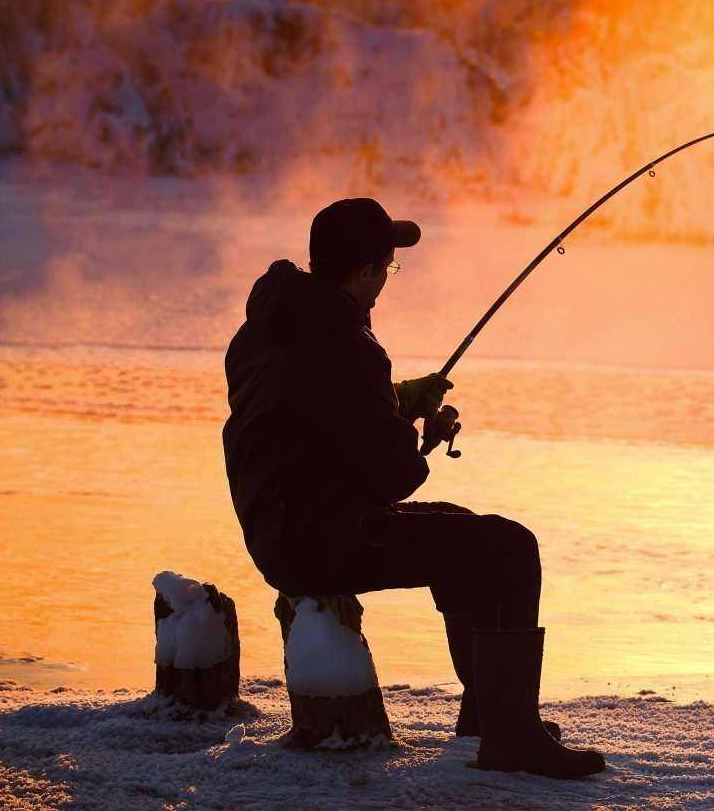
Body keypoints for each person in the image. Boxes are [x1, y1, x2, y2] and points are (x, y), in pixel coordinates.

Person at [221, 197, 604, 779]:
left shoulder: (266, 329)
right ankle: (509, 735)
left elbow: (315, 416)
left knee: (463, 528)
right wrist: (420, 429)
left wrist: (397, 400)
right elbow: (395, 475)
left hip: (279, 525)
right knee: (509, 548)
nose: (386, 280)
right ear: (365, 271)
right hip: (319, 539)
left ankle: (491, 718)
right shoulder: (346, 344)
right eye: (387, 267)